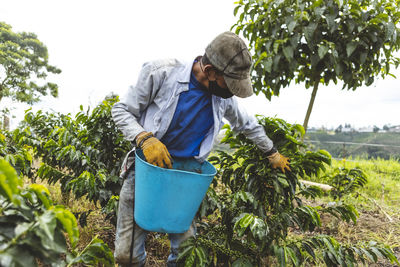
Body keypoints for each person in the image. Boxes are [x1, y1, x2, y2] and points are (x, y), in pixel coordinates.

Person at [111, 31, 290, 267]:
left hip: (186, 178)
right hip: (146, 171)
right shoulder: (161, 72)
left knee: (186, 253)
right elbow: (121, 110)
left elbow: (247, 124)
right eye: (230, 83)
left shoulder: (223, 97)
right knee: (127, 256)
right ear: (210, 71)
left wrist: (272, 153)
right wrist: (144, 138)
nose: (232, 91)